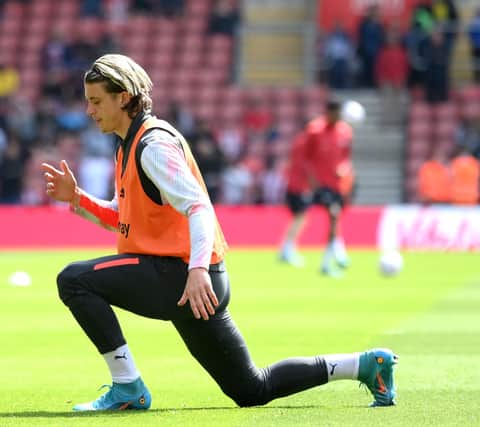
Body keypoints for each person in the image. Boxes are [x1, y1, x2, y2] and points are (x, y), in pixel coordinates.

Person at [41, 54, 398, 411]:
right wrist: (78, 199)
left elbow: (198, 207)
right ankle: (365, 365)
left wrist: (196, 271)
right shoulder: (131, 143)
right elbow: (127, 219)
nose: (89, 110)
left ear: (123, 98)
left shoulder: (152, 146)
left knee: (74, 280)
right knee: (251, 390)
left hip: (183, 274)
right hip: (191, 276)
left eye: (96, 100)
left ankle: (126, 387)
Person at [303, 99, 353, 277]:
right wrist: (310, 180)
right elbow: (305, 157)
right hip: (320, 183)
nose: (337, 118)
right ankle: (336, 255)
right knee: (334, 214)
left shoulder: (345, 132)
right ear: (328, 113)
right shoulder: (315, 130)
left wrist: (344, 168)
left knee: (335, 218)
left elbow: (346, 157)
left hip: (338, 184)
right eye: (334, 114)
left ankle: (331, 259)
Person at [279, 131, 312, 267]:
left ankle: (287, 248)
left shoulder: (299, 142)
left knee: (300, 218)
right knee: (300, 218)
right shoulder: (306, 145)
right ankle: (287, 249)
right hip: (299, 186)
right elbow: (306, 166)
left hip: (293, 184)